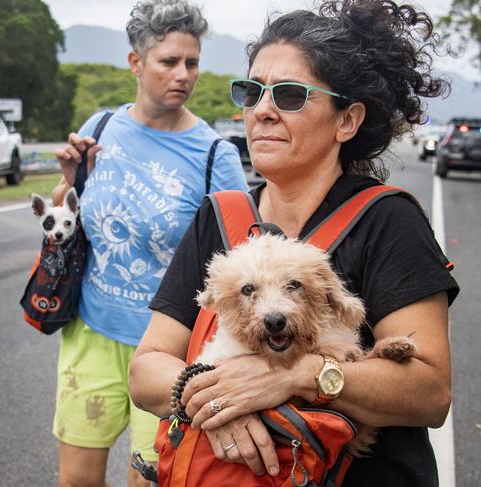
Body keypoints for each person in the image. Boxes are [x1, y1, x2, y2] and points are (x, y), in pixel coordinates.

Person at [129, 1, 459, 485]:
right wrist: (221, 400)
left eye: (288, 95)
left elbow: (430, 392)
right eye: (251, 91)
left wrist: (293, 376)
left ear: (346, 121)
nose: (261, 110)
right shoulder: (218, 218)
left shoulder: (388, 220)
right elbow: (146, 370)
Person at [50, 1, 248, 485]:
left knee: (154, 479)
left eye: (192, 62)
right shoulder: (100, 129)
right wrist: (68, 183)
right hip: (92, 333)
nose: (183, 74)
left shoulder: (214, 156)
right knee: (76, 480)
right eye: (168, 61)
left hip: (169, 351)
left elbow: (242, 254)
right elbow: (67, 217)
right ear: (136, 63)